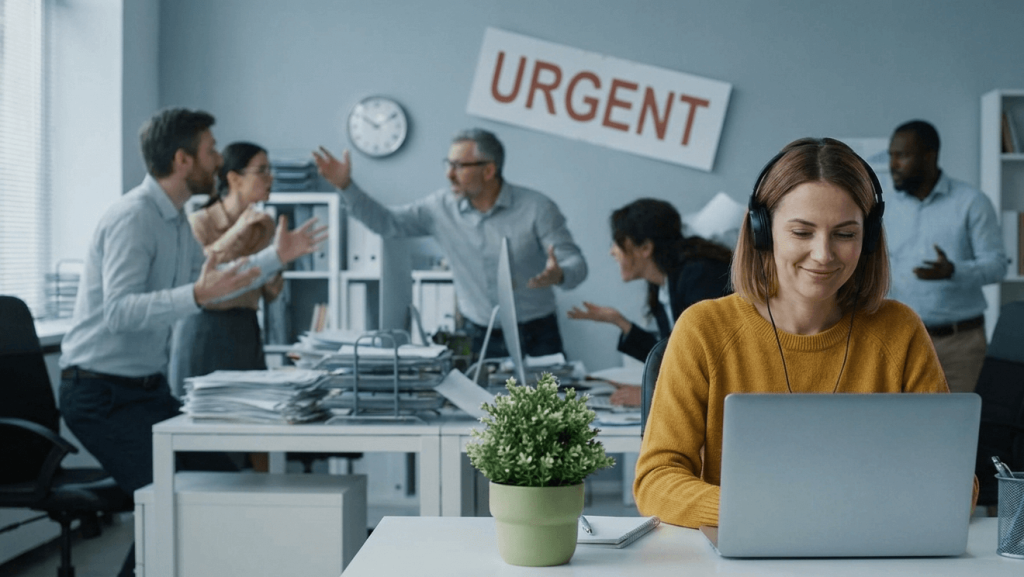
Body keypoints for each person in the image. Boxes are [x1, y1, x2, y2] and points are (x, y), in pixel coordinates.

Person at [633, 137, 973, 529]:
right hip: (744, 549)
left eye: (845, 234)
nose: (824, 254)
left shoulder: (899, 331)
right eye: (802, 232)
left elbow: (957, 485)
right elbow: (656, 481)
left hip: (870, 552)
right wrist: (775, 512)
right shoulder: (704, 329)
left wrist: (847, 514)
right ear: (763, 232)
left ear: (869, 238)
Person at [58, 108, 326, 576]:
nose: (218, 160)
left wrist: (273, 258)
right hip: (99, 395)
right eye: (210, 151)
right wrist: (196, 294)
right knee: (175, 502)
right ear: (183, 160)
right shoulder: (133, 218)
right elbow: (119, 312)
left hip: (145, 391)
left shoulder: (176, 221)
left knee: (223, 482)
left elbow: (211, 284)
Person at [313, 128, 587, 359]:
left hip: (537, 334)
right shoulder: (438, 209)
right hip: (477, 335)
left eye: (459, 166)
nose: (449, 174)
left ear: (489, 170)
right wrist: (346, 186)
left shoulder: (537, 208)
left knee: (547, 417)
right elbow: (388, 224)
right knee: (479, 418)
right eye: (449, 164)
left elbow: (575, 262)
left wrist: (561, 273)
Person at [567, 198, 732, 405]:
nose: (612, 252)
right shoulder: (664, 283)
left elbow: (711, 364)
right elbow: (670, 356)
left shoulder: (698, 276)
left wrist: (653, 394)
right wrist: (619, 322)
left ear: (645, 247)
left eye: (618, 243)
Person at [885, 120, 1007, 394]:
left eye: (902, 155)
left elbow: (998, 266)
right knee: (900, 428)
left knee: (956, 428)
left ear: (930, 155)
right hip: (900, 341)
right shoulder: (885, 209)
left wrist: (954, 271)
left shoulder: (971, 202)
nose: (893, 164)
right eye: (891, 155)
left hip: (958, 344)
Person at [169, 142, 283, 398]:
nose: (270, 178)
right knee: (198, 418)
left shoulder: (264, 226)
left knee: (251, 417)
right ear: (234, 178)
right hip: (203, 330)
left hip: (246, 328)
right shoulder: (199, 221)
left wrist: (275, 274)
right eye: (262, 170)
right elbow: (195, 273)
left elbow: (267, 293)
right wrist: (237, 231)